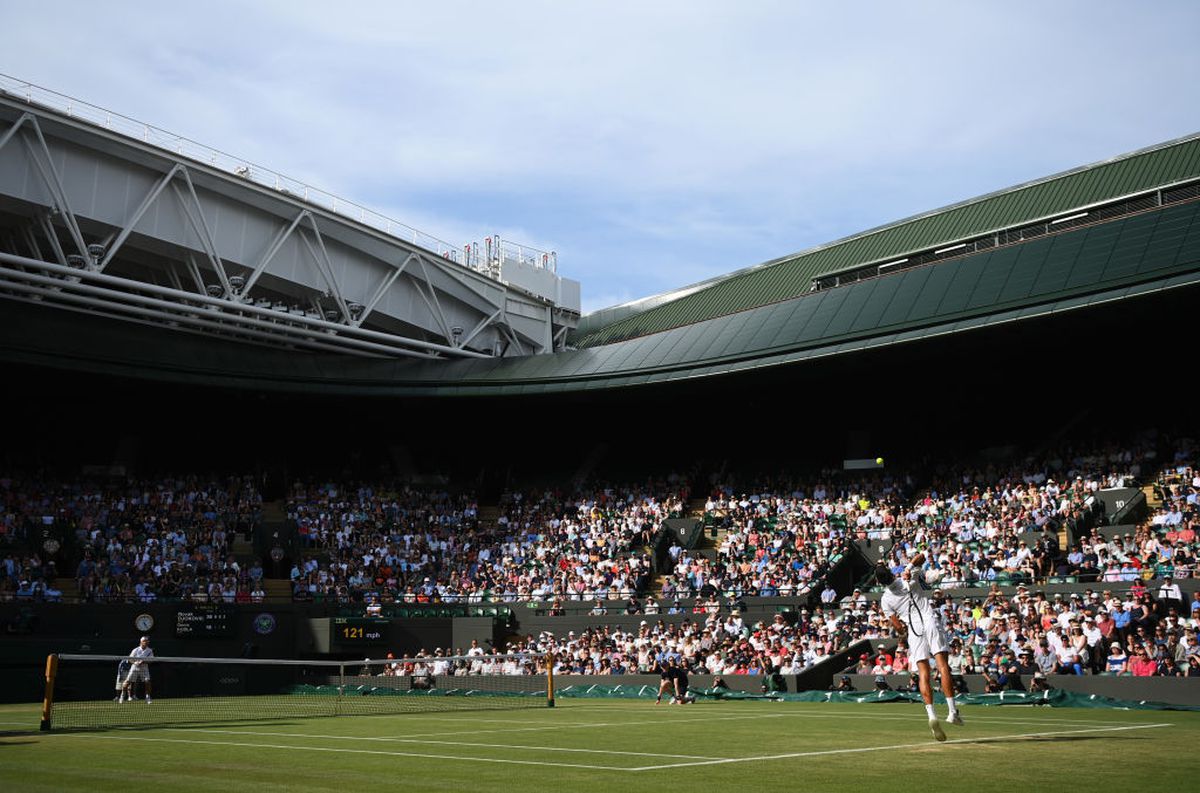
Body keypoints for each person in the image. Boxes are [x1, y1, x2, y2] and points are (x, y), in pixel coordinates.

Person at [878, 556, 962, 741]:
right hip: (930, 621)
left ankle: (931, 715)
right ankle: (952, 711)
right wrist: (908, 567)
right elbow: (921, 557)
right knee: (943, 666)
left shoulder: (885, 600)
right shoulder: (909, 577)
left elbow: (898, 627)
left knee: (923, 673)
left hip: (914, 630)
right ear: (892, 573)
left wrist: (902, 630)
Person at [120, 635, 153, 703]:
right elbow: (130, 659)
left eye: (147, 641)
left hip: (144, 668)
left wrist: (143, 661)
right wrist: (135, 663)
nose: (146, 642)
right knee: (127, 682)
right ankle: (122, 696)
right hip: (135, 667)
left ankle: (147, 697)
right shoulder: (135, 650)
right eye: (144, 641)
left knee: (147, 682)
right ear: (141, 642)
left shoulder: (150, 650)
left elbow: (151, 660)